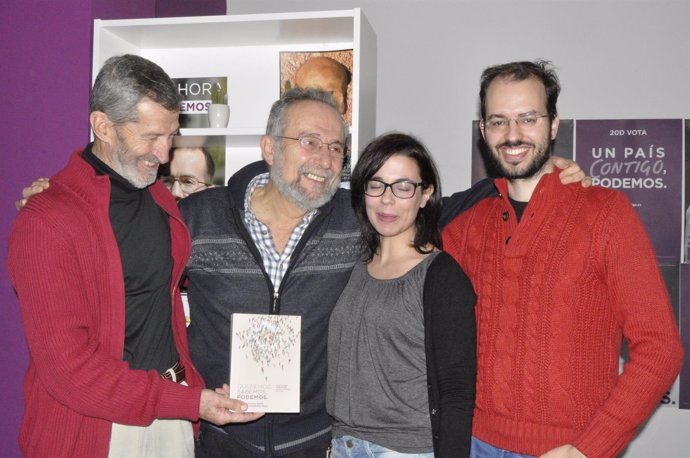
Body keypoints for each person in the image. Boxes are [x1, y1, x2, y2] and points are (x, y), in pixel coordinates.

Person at [16, 86, 588, 457]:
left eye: (337, 148)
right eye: (308, 141)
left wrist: (528, 173)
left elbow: (433, 204)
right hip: (218, 440)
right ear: (268, 146)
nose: (324, 159)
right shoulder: (194, 218)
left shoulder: (355, 220)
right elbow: (119, 214)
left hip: (318, 445)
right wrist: (55, 192)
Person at [7, 54, 262, 458]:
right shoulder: (46, 221)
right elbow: (69, 372)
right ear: (103, 126)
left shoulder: (161, 197)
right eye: (149, 137)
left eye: (171, 135)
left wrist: (191, 391)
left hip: (171, 415)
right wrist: (192, 403)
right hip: (95, 431)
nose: (163, 155)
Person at [442, 60, 683, 458]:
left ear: (553, 125)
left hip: (567, 450)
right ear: (483, 130)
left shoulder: (607, 213)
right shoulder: (464, 223)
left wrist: (589, 448)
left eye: (528, 118)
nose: (513, 134)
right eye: (498, 121)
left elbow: (660, 348)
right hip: (472, 443)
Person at [327, 133, 476, 457]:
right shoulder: (351, 265)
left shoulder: (442, 277)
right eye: (376, 184)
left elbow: (456, 391)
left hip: (405, 450)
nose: (387, 200)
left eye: (403, 187)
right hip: (343, 445)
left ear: (425, 195)